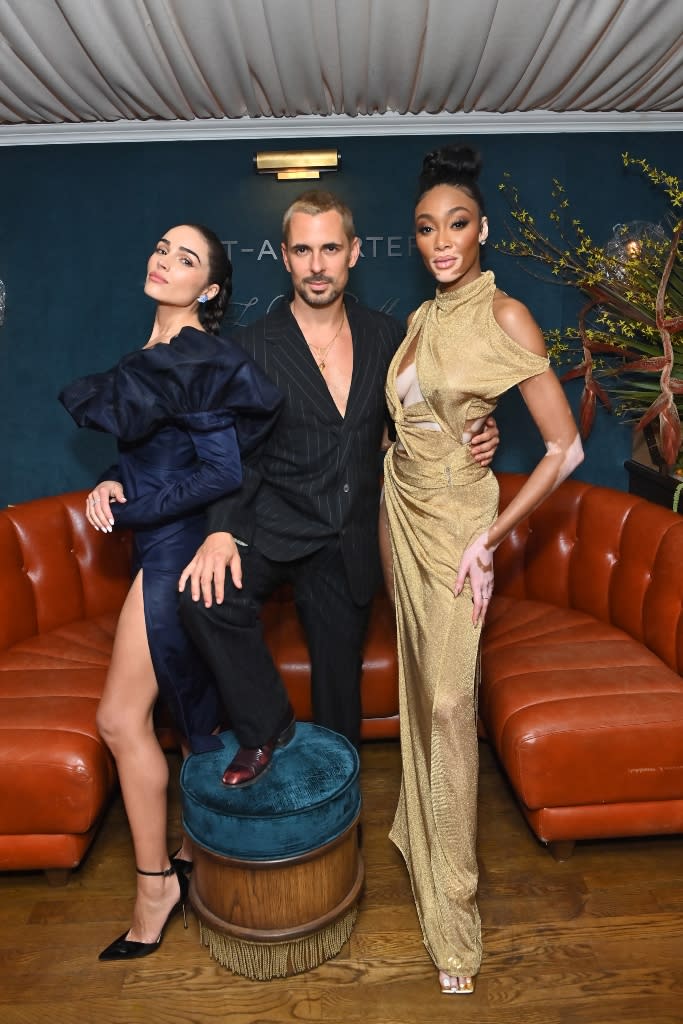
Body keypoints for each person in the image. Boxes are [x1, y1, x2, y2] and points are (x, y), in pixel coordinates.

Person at [178, 191, 500, 788]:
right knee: (204, 599)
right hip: (273, 522)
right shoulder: (248, 347)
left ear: (353, 252)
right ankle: (267, 725)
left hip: (347, 535)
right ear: (285, 256)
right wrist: (220, 530)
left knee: (338, 699)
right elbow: (230, 453)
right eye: (303, 249)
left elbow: (421, 417)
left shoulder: (389, 337)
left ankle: (338, 817)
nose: (317, 264)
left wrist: (477, 431)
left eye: (330, 248)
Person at [380, 145, 584, 995]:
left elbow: (565, 449)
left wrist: (490, 535)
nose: (440, 240)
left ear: (482, 230)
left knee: (451, 701)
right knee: (419, 683)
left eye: (455, 224)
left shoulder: (507, 317)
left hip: (462, 523)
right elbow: (412, 416)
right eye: (426, 227)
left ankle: (454, 917)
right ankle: (414, 832)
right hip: (400, 512)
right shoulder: (420, 319)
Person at [59, 224, 282, 961]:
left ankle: (156, 886)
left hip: (177, 553)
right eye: (161, 247)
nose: (164, 261)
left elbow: (220, 473)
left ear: (210, 289)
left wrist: (133, 507)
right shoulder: (155, 357)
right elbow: (163, 458)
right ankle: (195, 851)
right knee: (187, 716)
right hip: (157, 546)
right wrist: (115, 479)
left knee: (121, 720)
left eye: (187, 259)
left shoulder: (198, 358)